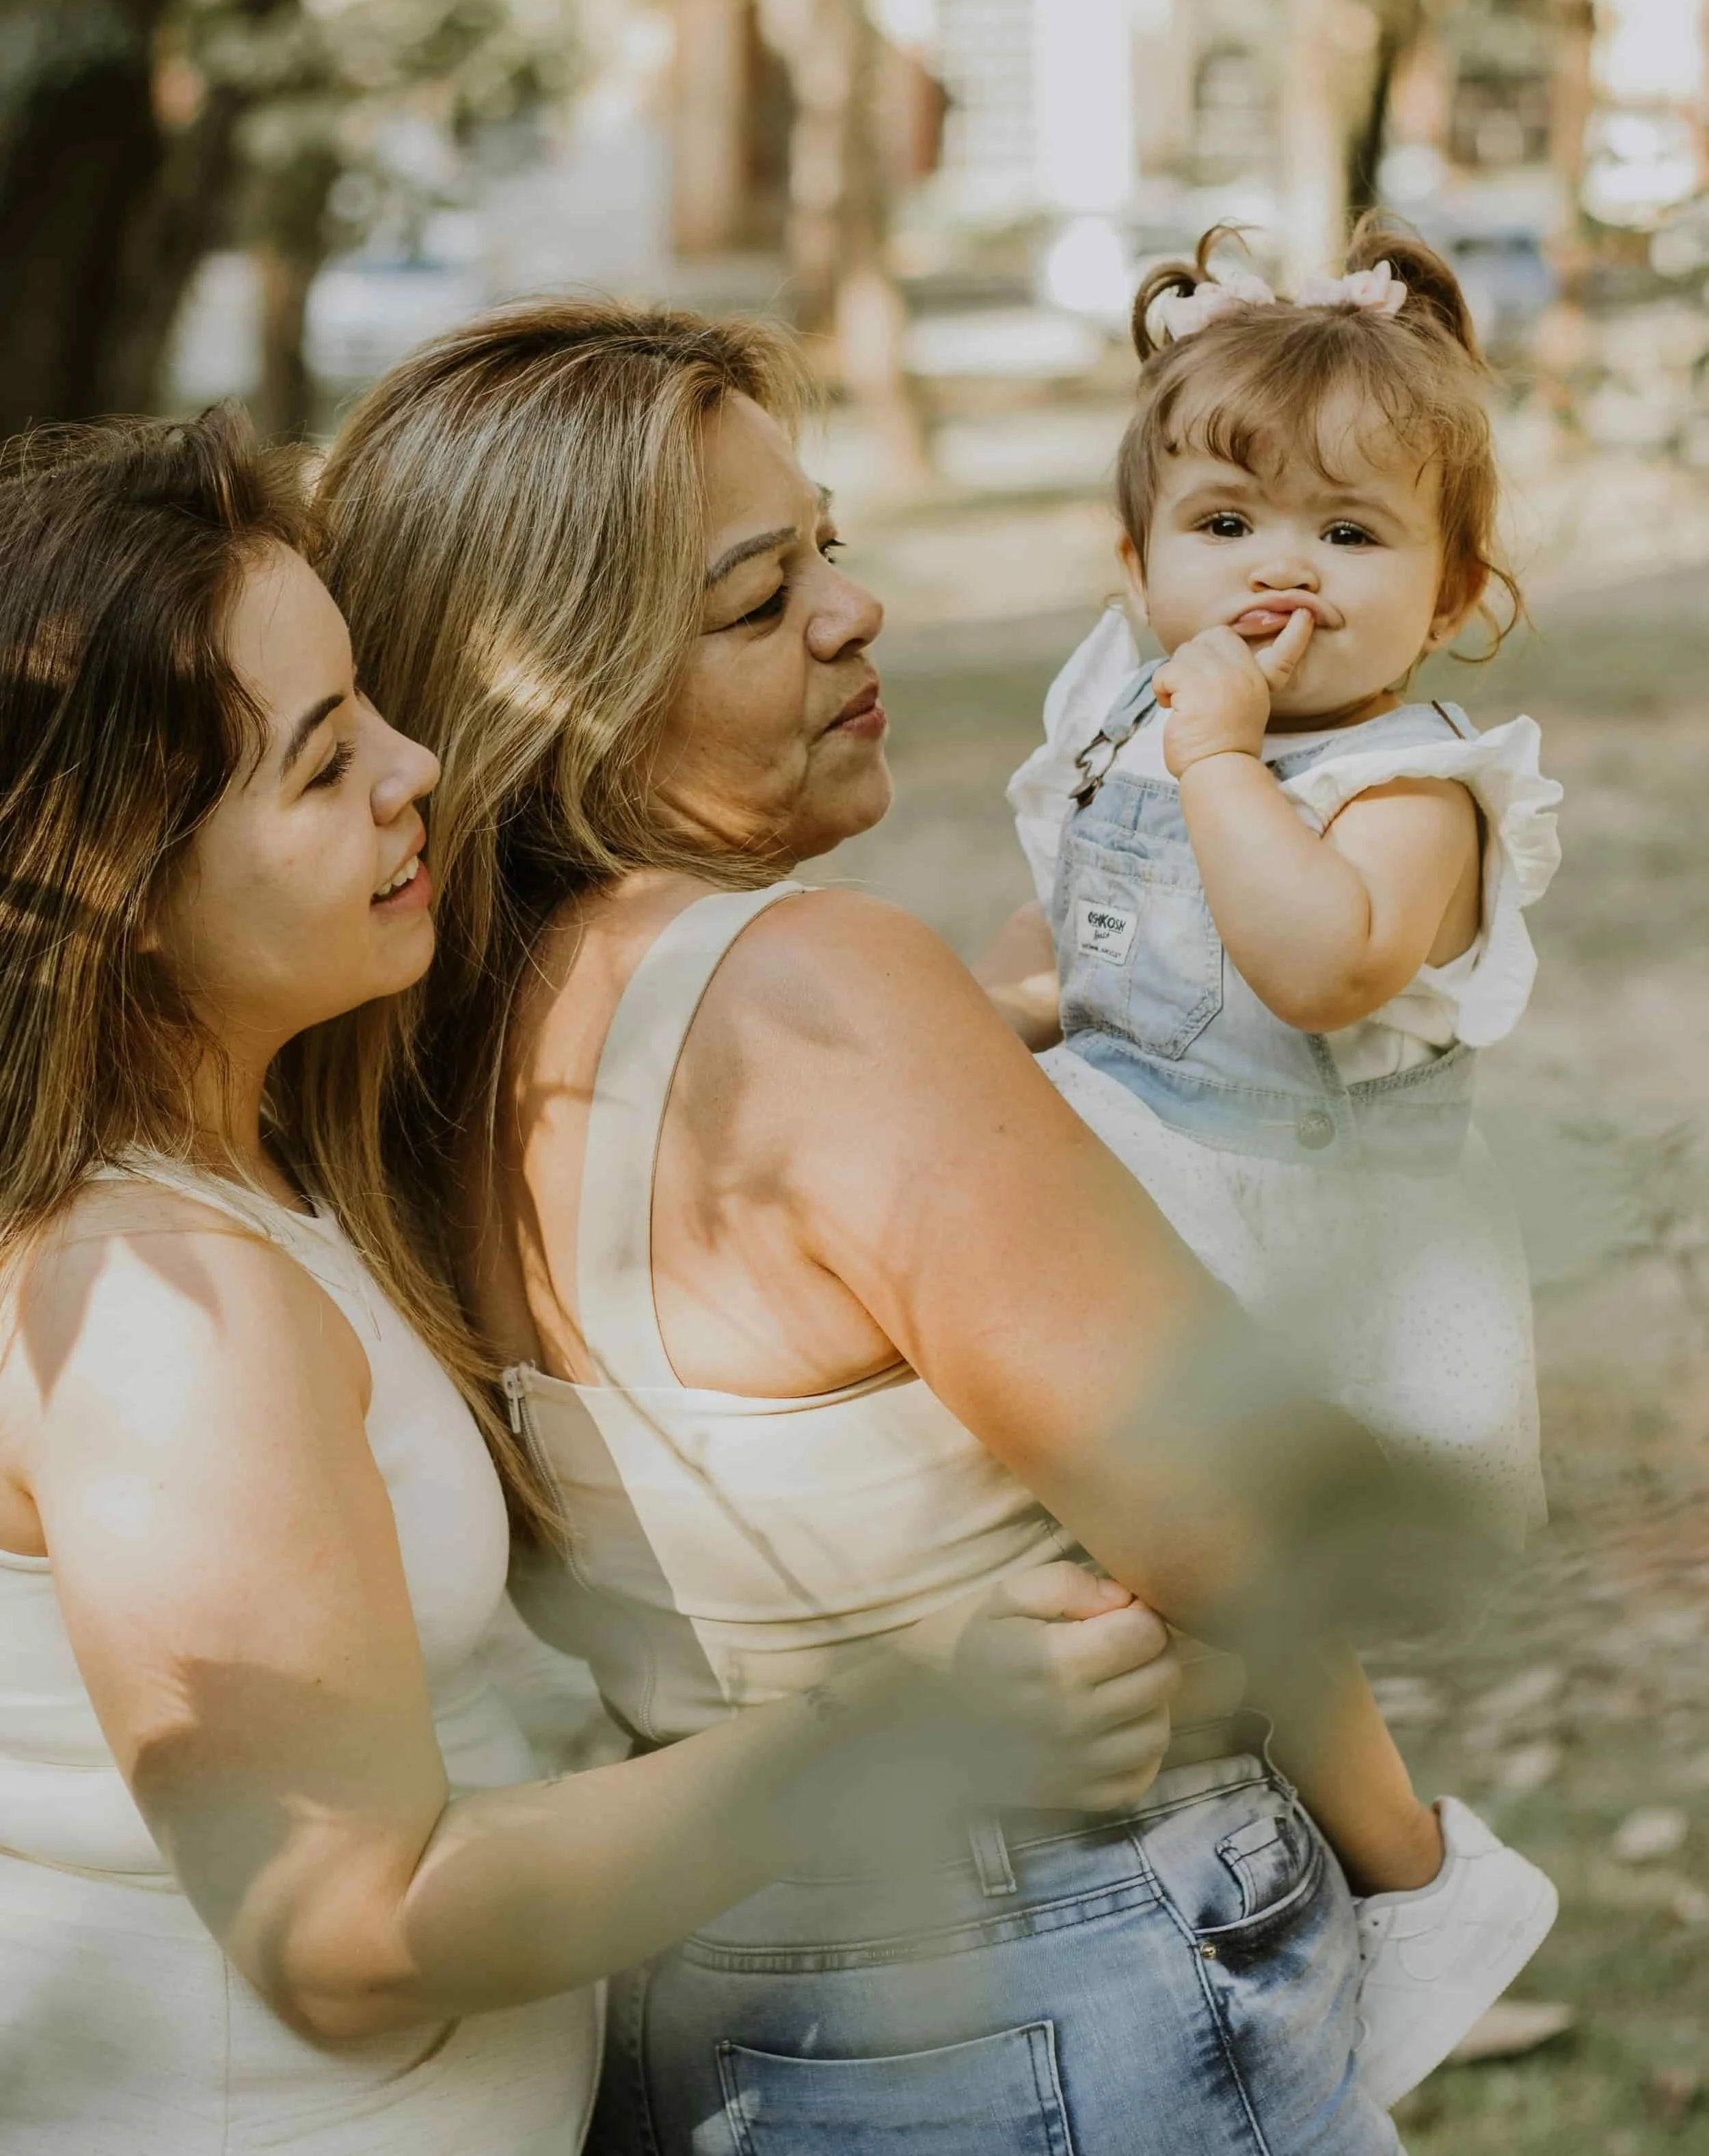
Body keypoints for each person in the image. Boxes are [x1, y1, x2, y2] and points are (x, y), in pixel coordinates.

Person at [312, 299, 1458, 2156]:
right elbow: (1239, 1515)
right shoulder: (810, 991)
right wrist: (1415, 1871)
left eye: (827, 545)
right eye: (759, 600)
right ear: (561, 688)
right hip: (1057, 1951)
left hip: (712, 1969)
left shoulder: (413, 1053)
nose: (851, 610)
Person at [0, 408, 1187, 2156]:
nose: (414, 769)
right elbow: (339, 1932)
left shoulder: (246, 1171)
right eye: (323, 766)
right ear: (118, 886)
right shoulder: (165, 1310)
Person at [995, 221, 1565, 2103]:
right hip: (1136, 1163)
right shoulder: (1133, 714)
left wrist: (1233, 764)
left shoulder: (1414, 789)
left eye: (1348, 533)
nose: (1278, 576)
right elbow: (1105, 949)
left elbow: (1311, 958)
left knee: (1224, 1558)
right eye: (1226, 522)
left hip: (1295, 1245)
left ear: (1455, 591)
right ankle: (1231, 1850)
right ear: (1135, 558)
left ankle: (1412, 1870)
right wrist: (1021, 1015)